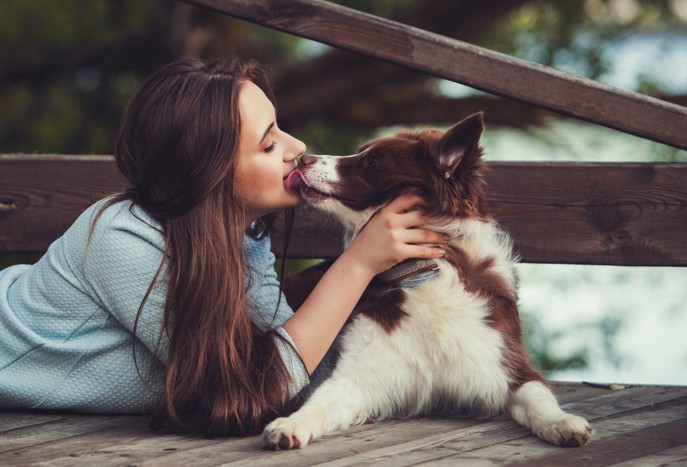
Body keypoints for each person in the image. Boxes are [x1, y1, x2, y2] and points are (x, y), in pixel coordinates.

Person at [0, 57, 447, 437]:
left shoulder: (242, 235)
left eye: (281, 130)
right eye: (269, 144)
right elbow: (246, 397)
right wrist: (358, 264)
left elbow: (295, 372)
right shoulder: (120, 239)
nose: (297, 148)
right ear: (209, 173)